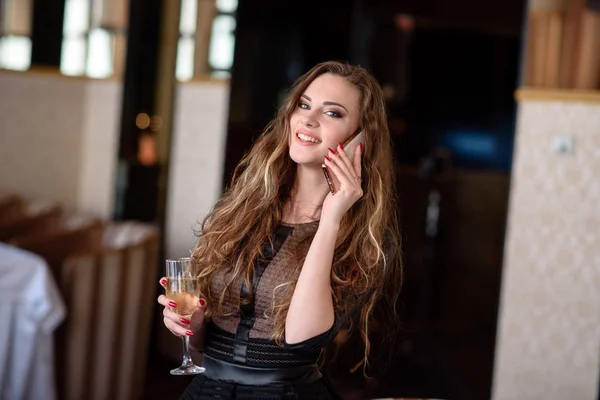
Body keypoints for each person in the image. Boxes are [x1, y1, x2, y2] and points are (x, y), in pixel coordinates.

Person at [157, 61, 402, 399]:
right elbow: (203, 345)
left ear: (360, 137)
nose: (309, 119)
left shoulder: (366, 238)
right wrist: (193, 326)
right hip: (206, 390)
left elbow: (301, 336)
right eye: (303, 104)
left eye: (332, 113)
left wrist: (331, 217)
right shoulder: (242, 207)